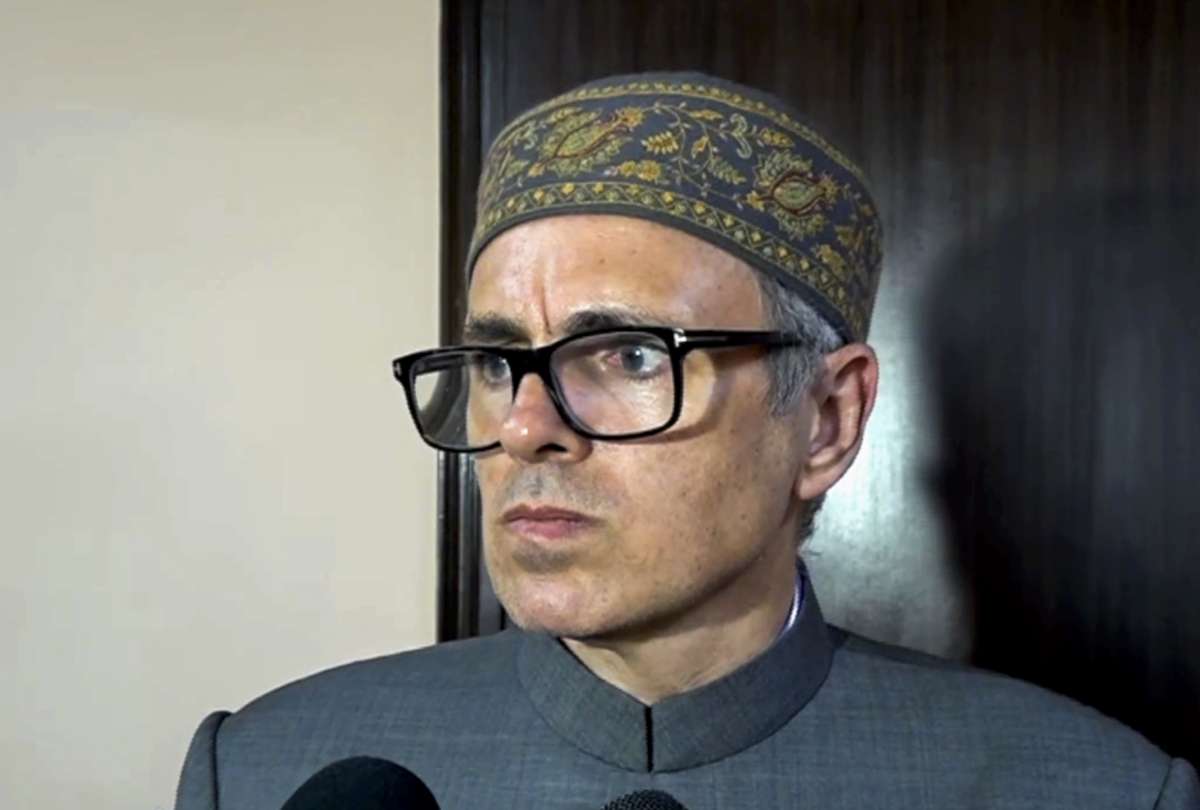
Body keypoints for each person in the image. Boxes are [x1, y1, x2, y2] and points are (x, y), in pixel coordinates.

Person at [174, 72, 1199, 809]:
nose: (525, 427)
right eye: (495, 362)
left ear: (828, 420)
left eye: (628, 356)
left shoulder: (1091, 791)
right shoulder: (268, 773)